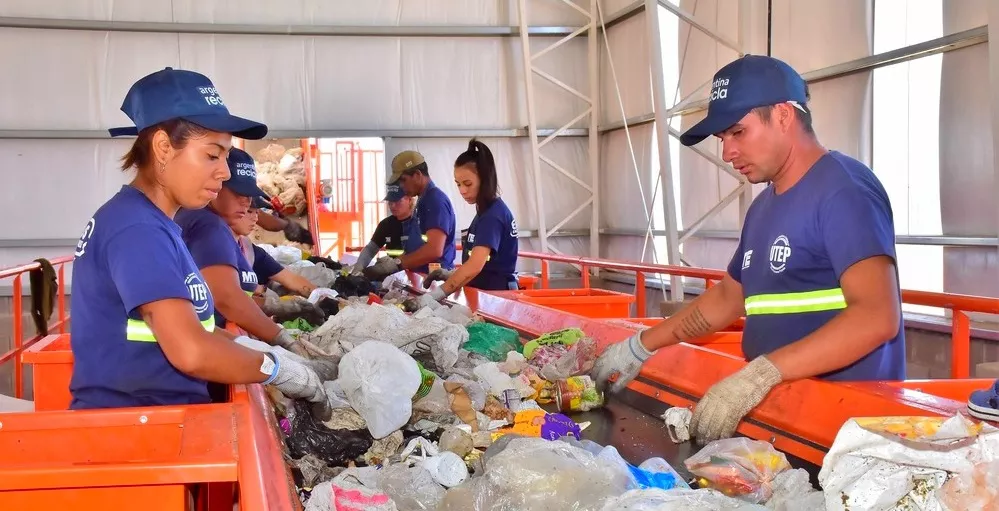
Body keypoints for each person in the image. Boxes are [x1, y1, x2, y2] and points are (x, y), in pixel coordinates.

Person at [591, 55, 905, 444]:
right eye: (723, 138)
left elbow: (876, 316)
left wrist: (761, 374)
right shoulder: (763, 206)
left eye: (738, 132)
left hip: (843, 430)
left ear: (784, 115)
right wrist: (640, 346)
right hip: (783, 419)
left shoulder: (843, 190)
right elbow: (728, 297)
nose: (727, 153)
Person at [68, 67, 328, 413]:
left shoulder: (159, 225)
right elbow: (190, 349)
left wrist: (270, 352)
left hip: (158, 422)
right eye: (211, 154)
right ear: (162, 147)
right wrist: (278, 371)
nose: (224, 171)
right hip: (134, 434)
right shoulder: (137, 229)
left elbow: (197, 329)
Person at [174, 147, 306, 355]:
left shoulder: (204, 222)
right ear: (216, 185)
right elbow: (227, 299)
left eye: (249, 196)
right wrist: (284, 342)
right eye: (238, 193)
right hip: (199, 354)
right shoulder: (209, 225)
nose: (246, 202)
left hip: (206, 342)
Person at [421, 139, 519, 299]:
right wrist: (450, 274)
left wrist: (434, 296)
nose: (462, 190)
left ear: (485, 179)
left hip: (497, 299)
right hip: (486, 295)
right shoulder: (484, 212)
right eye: (458, 184)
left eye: (467, 183)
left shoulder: (493, 216)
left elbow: (475, 266)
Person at [364, 150, 457, 280]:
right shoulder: (424, 200)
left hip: (433, 278)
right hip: (421, 276)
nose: (401, 186)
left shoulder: (434, 201)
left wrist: (396, 264)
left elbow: (434, 250)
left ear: (417, 175)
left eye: (403, 180)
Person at [232, 196, 318, 299]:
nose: (255, 218)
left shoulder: (249, 250)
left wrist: (322, 295)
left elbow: (289, 278)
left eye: (257, 213)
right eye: (249, 211)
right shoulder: (218, 248)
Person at [349, 182, 415, 273]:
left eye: (397, 201)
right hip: (392, 274)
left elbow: (424, 253)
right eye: (390, 202)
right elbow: (370, 249)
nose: (392, 205)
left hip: (416, 274)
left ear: (410, 199)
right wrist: (359, 267)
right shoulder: (386, 224)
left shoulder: (419, 223)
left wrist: (394, 264)